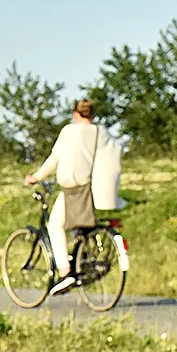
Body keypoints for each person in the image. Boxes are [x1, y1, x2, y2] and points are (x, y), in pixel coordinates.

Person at [24, 99, 122, 294]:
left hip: (75, 190)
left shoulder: (69, 131)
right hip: (97, 190)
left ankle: (65, 272)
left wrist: (36, 177)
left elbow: (54, 159)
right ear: (93, 115)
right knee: (77, 224)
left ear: (75, 114)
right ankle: (81, 256)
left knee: (55, 225)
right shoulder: (100, 132)